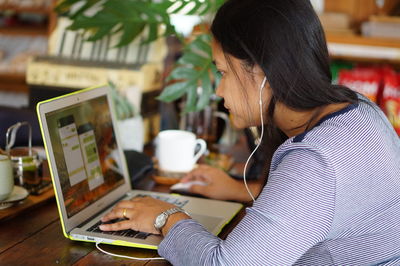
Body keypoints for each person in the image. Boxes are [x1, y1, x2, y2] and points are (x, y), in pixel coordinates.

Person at [99, 0, 400, 264]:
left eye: (223, 72)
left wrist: (164, 217)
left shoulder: (316, 160)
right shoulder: (356, 107)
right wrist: (239, 189)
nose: (218, 90)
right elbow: (328, 203)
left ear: (260, 72)